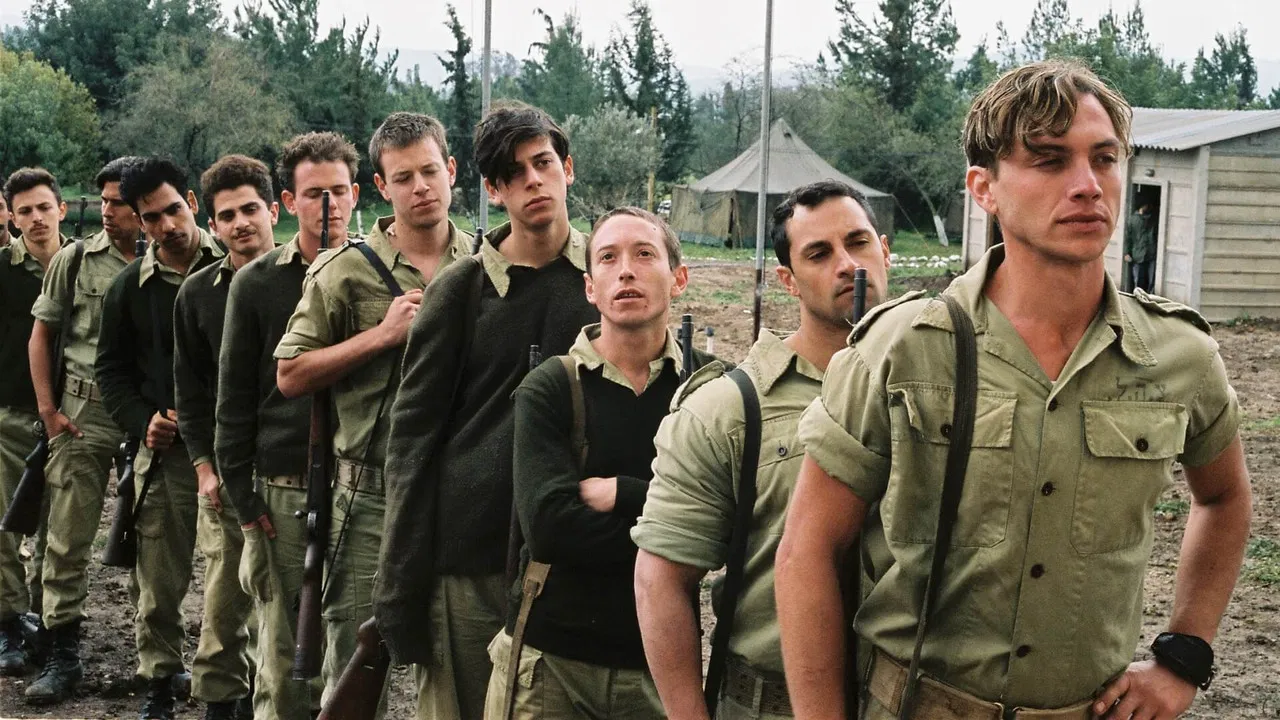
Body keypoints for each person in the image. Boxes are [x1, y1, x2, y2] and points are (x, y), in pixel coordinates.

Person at [777, 60, 1252, 720]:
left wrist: (1184, 657)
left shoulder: (1179, 356)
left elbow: (1224, 498)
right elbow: (806, 550)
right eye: (1050, 160)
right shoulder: (902, 348)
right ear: (985, 188)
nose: (1088, 185)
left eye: (1104, 159)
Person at [373, 101, 600, 720]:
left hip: (576, 561)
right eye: (513, 173)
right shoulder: (461, 289)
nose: (534, 181)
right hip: (469, 563)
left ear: (567, 168)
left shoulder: (607, 279)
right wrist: (400, 581)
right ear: (494, 190)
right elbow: (412, 442)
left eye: (543, 163)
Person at [632, 181, 891, 720]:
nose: (847, 265)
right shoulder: (730, 409)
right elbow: (662, 579)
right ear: (787, 280)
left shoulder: (942, 387)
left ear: (885, 250)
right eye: (818, 254)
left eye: (858, 243)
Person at [273, 121, 472, 715]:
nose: (421, 188)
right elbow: (290, 374)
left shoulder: (484, 263)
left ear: (452, 171)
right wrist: (380, 337)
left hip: (460, 496)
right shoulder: (345, 270)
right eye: (403, 177)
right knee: (356, 666)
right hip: (369, 499)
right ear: (382, 187)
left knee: (459, 669)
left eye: (430, 172)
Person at [486, 207, 714, 719]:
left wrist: (622, 493)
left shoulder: (709, 388)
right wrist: (677, 531)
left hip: (658, 667)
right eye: (608, 258)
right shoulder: (551, 387)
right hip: (550, 665)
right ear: (591, 288)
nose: (626, 270)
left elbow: (727, 519)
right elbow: (550, 529)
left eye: (644, 254)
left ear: (678, 278)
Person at [216, 132, 363, 720]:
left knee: (348, 657)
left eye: (338, 191)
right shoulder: (256, 283)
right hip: (281, 486)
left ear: (356, 195)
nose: (328, 204)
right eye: (313, 193)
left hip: (357, 487)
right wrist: (242, 494)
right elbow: (233, 398)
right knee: (282, 656)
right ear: (288, 201)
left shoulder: (373, 274)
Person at [95, 156, 226, 720]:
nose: (167, 226)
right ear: (138, 221)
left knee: (233, 580)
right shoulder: (129, 288)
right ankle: (159, 682)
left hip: (228, 449)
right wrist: (141, 419)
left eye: (174, 210)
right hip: (167, 454)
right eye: (151, 218)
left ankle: (227, 687)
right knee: (158, 579)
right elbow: (111, 371)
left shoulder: (236, 269)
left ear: (192, 202)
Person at [24, 157, 142, 704]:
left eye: (120, 202)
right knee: (67, 538)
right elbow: (42, 336)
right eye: (105, 201)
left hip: (149, 418)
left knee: (154, 540)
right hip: (82, 412)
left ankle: (156, 657)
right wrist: (49, 411)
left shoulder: (179, 258)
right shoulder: (74, 260)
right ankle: (62, 653)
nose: (109, 211)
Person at [173, 154, 279, 720]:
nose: (241, 223)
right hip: (225, 472)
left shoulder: (309, 280)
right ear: (211, 224)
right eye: (227, 215)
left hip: (289, 470)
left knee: (284, 608)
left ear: (273, 210)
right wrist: (204, 468)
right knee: (222, 601)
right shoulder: (197, 295)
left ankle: (269, 701)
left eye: (250, 209)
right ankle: (219, 700)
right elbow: (190, 392)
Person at [0, 168, 68, 676]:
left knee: (58, 530)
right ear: (12, 217)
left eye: (44, 207)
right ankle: (8, 621)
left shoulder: (85, 265)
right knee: (5, 525)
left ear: (61, 208)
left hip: (72, 419)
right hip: (10, 415)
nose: (37, 218)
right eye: (25, 211)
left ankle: (50, 622)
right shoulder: (3, 269)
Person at [1124, 201, 1156, 293]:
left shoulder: (1150, 219)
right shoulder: (1134, 220)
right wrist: (1126, 253)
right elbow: (1128, 238)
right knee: (1139, 280)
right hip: (1139, 255)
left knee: (1149, 280)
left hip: (1147, 254)